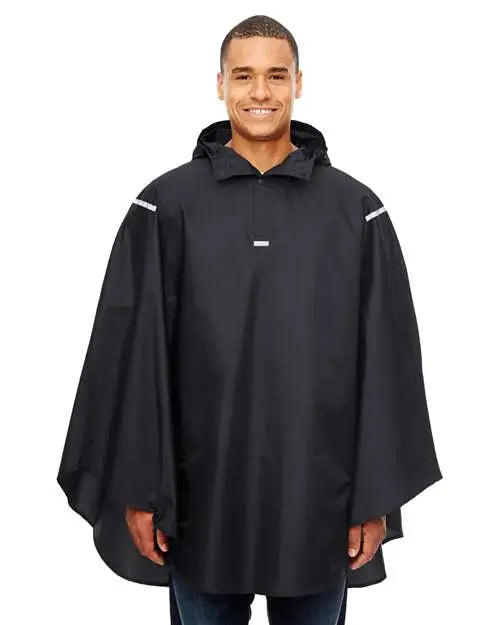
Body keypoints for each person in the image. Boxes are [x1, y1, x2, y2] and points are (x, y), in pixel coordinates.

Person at [56, 14, 443, 625]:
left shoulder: (355, 210)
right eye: (243, 75)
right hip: (197, 508)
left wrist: (374, 499)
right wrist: (140, 488)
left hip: (319, 507)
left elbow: (387, 362)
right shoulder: (165, 205)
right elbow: (130, 356)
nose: (260, 91)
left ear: (298, 83)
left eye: (275, 75)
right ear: (220, 84)